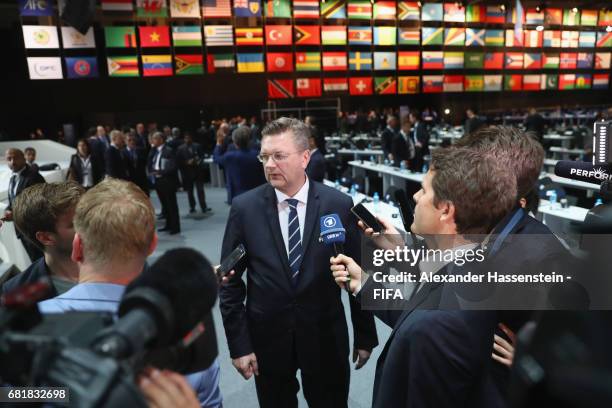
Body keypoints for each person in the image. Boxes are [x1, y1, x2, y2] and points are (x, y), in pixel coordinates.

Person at [331, 147, 517, 408]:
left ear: (446, 210)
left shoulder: (439, 324)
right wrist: (364, 282)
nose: (415, 197)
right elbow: (417, 308)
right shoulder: (475, 265)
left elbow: (424, 322)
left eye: (424, 190)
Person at [220, 117, 378, 408]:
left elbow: (359, 272)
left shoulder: (338, 205)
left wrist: (365, 334)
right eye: (264, 156)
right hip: (267, 340)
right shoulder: (245, 208)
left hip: (325, 337)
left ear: (305, 157)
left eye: (279, 156)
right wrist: (239, 344)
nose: (269, 165)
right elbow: (228, 281)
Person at [37, 179, 222, 408]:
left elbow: (11, 397)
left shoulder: (25, 331)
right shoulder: (192, 340)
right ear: (152, 245)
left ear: (77, 246)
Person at [1, 181, 83, 299]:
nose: (91, 225)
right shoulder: (17, 293)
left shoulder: (116, 259)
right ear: (46, 238)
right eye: (77, 223)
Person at [3, 148, 46, 261]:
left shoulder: (34, 176)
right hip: (22, 231)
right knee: (35, 262)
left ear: (23, 158)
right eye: (9, 159)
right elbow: (12, 201)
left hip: (35, 231)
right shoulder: (13, 178)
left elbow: (41, 204)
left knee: (45, 262)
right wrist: (8, 210)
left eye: (15, 158)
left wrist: (16, 214)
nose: (12, 162)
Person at [213, 126, 265, 204]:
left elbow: (216, 158)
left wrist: (218, 143)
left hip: (238, 196)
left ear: (235, 142)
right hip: (257, 193)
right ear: (248, 140)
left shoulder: (230, 156)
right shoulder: (258, 155)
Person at [148, 132, 180, 234]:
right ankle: (168, 224)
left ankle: (175, 227)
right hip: (158, 181)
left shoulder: (169, 151)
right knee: (165, 205)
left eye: (155, 139)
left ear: (161, 139)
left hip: (167, 180)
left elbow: (172, 167)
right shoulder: (155, 151)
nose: (153, 141)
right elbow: (151, 162)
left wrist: (160, 172)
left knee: (171, 205)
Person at [177, 132, 210, 214]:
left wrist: (197, 161)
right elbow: (179, 161)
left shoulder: (197, 146)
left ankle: (204, 207)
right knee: (190, 191)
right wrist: (186, 162)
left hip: (197, 171)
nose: (187, 139)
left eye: (189, 138)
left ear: (191, 138)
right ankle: (192, 207)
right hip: (187, 172)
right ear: (184, 139)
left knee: (200, 190)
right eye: (186, 138)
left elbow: (202, 157)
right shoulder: (180, 148)